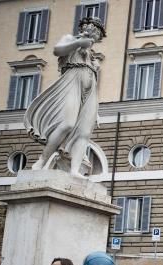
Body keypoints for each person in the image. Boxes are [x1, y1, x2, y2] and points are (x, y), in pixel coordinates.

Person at [26, 17, 105, 178]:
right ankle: (42, 161)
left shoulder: (91, 55)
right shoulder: (71, 40)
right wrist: (78, 44)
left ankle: (74, 170)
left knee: (84, 133)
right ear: (84, 27)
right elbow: (57, 50)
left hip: (90, 93)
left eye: (98, 32)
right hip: (72, 83)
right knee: (67, 124)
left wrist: (95, 111)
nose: (94, 33)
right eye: (92, 28)